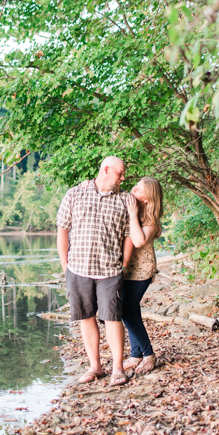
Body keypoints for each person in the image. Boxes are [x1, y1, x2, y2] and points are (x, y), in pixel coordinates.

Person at [56, 156, 134, 386]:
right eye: (120, 173)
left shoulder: (125, 200)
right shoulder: (75, 194)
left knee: (112, 318)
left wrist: (125, 264)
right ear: (106, 170)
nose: (123, 177)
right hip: (78, 269)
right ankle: (95, 366)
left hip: (110, 271)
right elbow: (62, 230)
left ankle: (117, 369)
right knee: (86, 317)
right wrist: (65, 266)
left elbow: (129, 235)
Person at [121, 177, 164, 375]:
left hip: (142, 272)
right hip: (127, 269)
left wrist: (131, 214)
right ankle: (135, 354)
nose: (133, 189)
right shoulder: (133, 208)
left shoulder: (151, 220)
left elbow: (138, 241)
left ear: (147, 198)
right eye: (135, 186)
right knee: (132, 310)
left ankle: (149, 355)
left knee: (126, 312)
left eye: (139, 189)